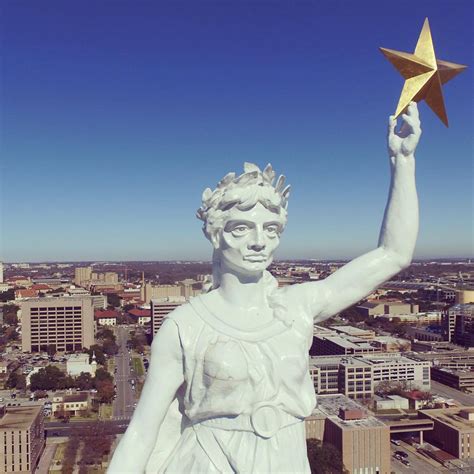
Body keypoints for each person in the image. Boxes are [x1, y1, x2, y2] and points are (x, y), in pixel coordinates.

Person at [108, 102, 421, 473]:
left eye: (270, 229)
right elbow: (144, 431)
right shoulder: (184, 325)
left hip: (286, 460)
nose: (259, 241)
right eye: (242, 228)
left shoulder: (298, 305)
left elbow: (394, 254)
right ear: (215, 234)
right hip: (209, 461)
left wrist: (403, 162)